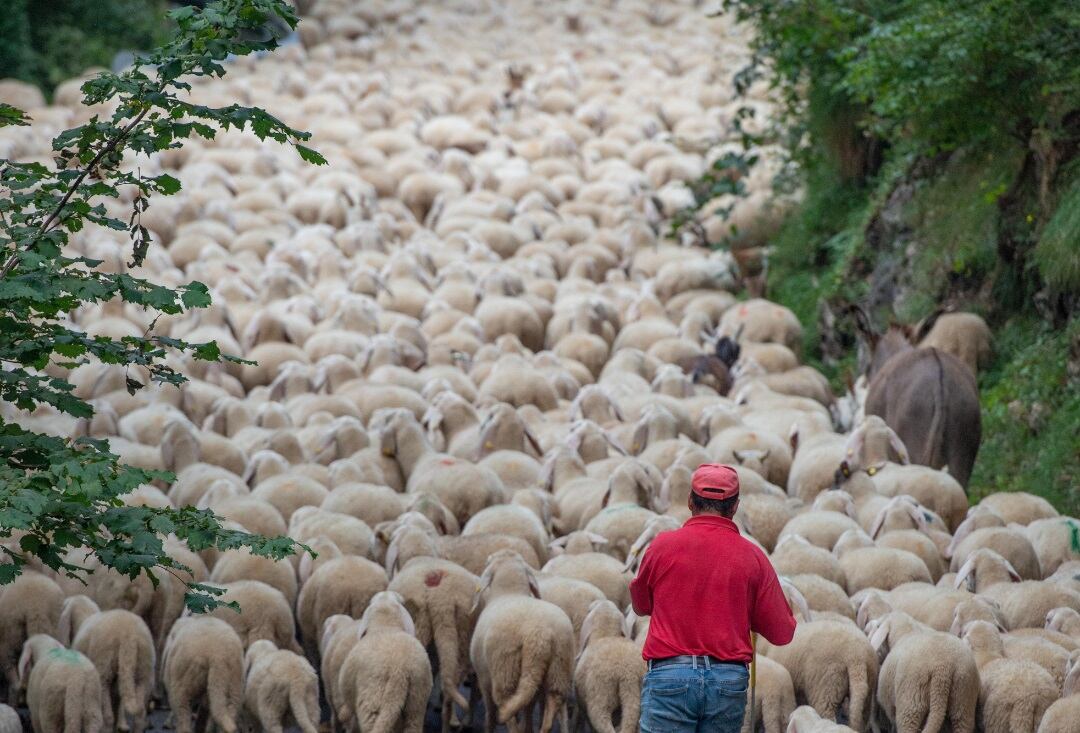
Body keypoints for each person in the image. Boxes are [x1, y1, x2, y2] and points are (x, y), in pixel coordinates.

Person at [629, 463, 797, 732]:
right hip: (727, 681)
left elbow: (640, 604)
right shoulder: (752, 557)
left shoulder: (662, 546)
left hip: (671, 675)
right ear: (734, 507)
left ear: (689, 501)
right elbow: (782, 632)